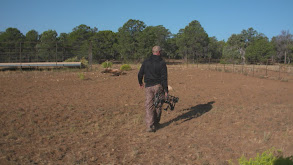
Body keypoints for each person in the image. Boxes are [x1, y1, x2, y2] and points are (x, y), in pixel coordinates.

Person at [138, 46, 168, 132]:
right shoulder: (162, 62)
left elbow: (140, 74)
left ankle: (149, 125)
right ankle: (156, 123)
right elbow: (164, 78)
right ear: (158, 52)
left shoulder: (146, 62)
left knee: (149, 105)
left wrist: (140, 83)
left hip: (148, 87)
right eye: (161, 51)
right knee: (158, 104)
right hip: (158, 86)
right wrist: (166, 90)